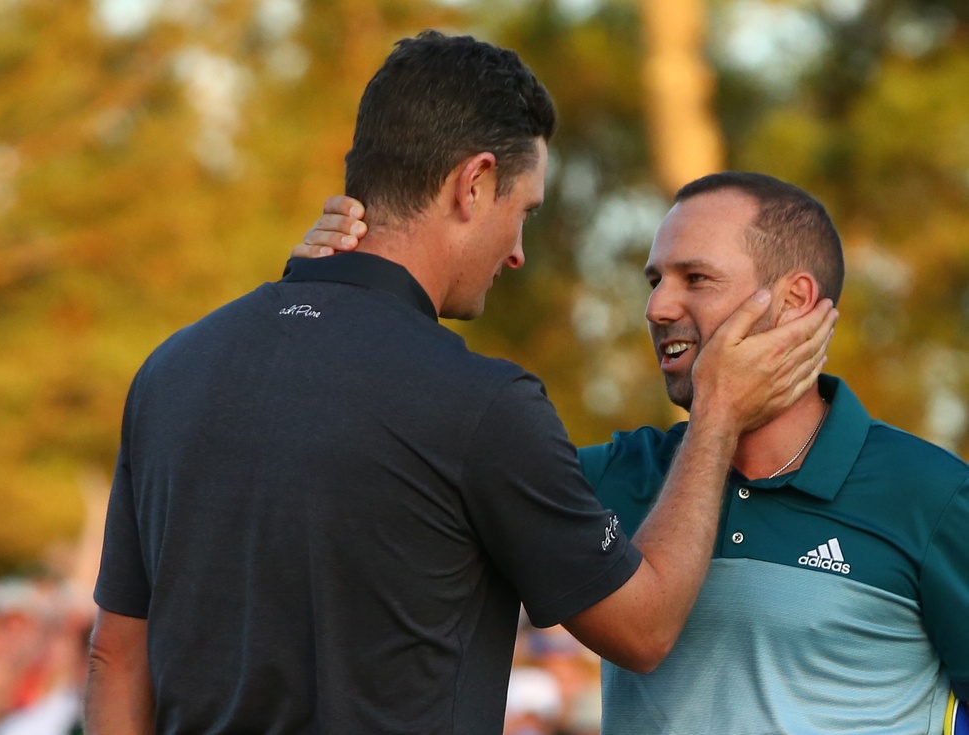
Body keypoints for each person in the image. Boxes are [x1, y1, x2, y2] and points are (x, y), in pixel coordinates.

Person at [85, 31, 834, 735]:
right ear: (473, 184)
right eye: (523, 211)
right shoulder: (482, 406)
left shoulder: (172, 368)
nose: (515, 252)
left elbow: (116, 655)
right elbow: (642, 629)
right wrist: (718, 414)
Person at [302, 171, 969, 734]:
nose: (657, 305)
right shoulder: (606, 478)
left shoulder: (931, 495)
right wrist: (328, 306)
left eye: (695, 277)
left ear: (795, 301)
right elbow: (378, 488)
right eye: (654, 279)